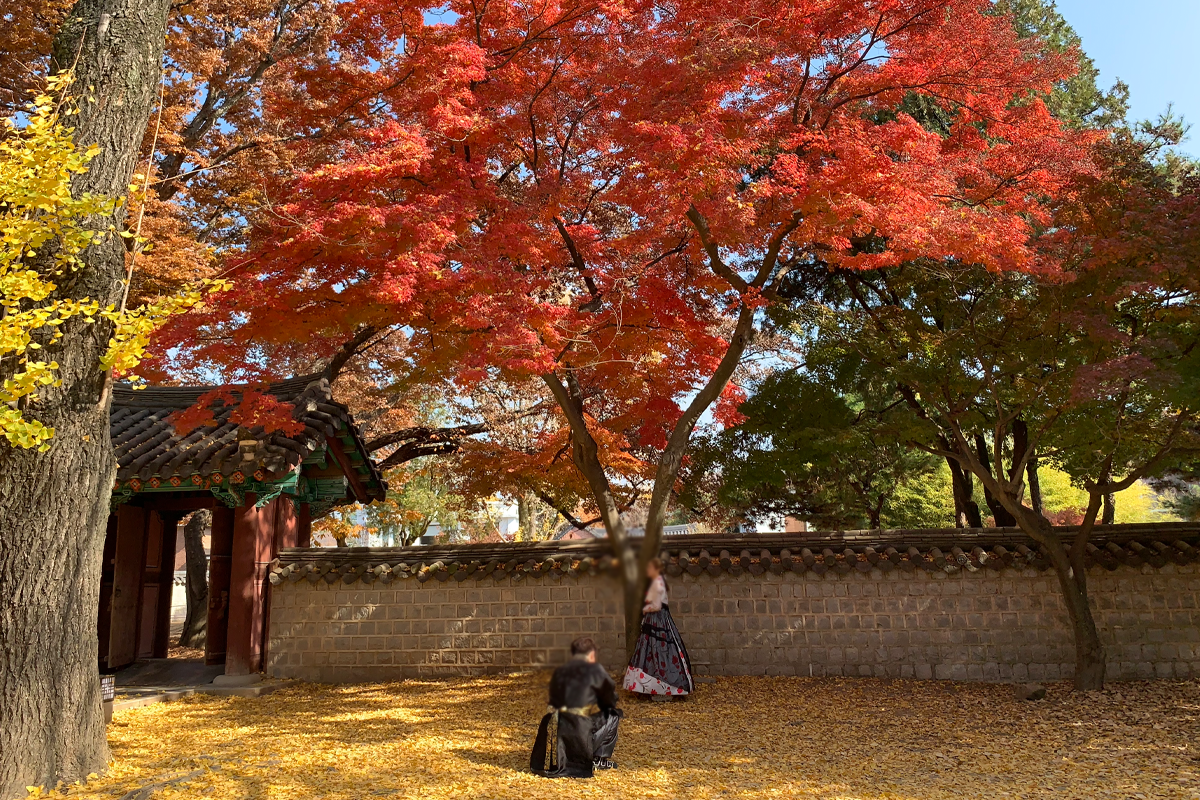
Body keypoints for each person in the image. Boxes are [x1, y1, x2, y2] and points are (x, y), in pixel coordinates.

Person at [530, 637, 622, 778]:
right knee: (613, 715)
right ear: (591, 655)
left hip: (554, 732)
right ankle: (598, 759)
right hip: (578, 731)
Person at [623, 557, 695, 698]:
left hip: (656, 619)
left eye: (649, 568)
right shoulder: (658, 581)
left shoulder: (657, 582)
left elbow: (656, 605)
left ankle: (660, 686)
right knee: (654, 651)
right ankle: (653, 686)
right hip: (659, 619)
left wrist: (645, 609)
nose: (647, 570)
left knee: (656, 650)